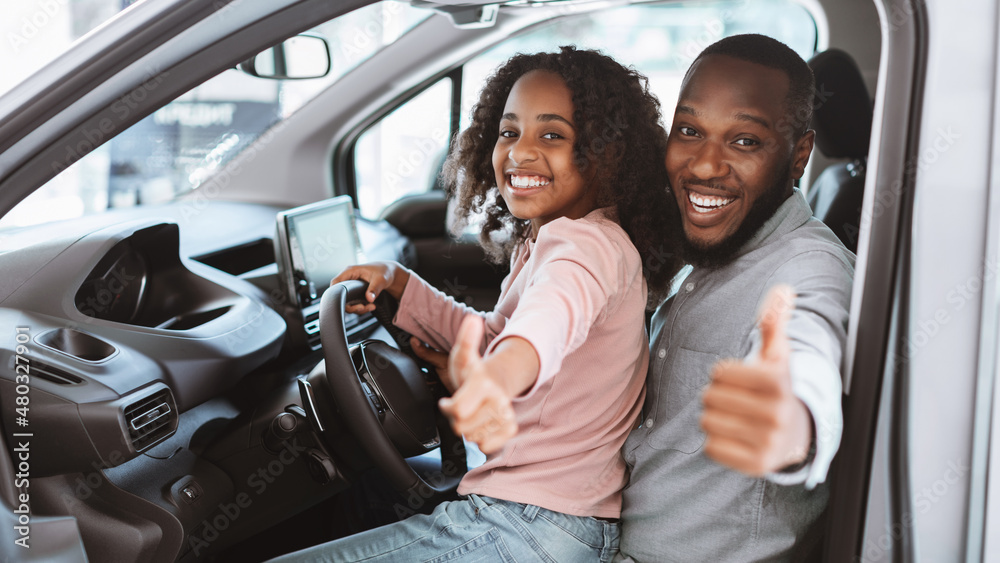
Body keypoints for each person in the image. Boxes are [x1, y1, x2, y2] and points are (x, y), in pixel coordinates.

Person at [268, 46, 682, 562]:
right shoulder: (556, 239)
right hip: (554, 519)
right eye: (509, 132)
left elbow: (545, 327)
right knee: (366, 497)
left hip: (532, 524)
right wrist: (403, 287)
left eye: (551, 134)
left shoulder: (586, 249)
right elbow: (497, 334)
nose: (520, 152)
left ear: (605, 152)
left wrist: (496, 378)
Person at [614, 34, 855, 562]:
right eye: (690, 131)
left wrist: (793, 423)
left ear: (798, 157)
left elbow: (807, 341)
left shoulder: (807, 267)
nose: (704, 166)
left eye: (744, 141)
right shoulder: (710, 252)